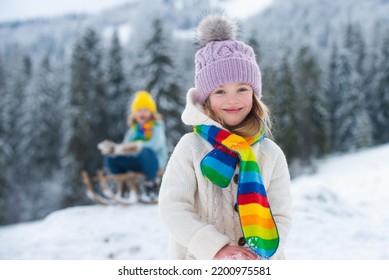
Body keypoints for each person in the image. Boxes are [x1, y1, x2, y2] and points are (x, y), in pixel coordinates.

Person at [159, 14, 292, 260]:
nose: (232, 99)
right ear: (206, 98)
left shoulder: (271, 154)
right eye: (220, 91)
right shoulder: (191, 148)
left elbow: (281, 215)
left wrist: (259, 257)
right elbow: (173, 208)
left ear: (254, 94)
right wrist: (214, 248)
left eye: (242, 89)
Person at [98, 90, 168, 202]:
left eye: (146, 110)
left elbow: (156, 144)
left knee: (146, 151)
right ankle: (123, 185)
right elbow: (126, 146)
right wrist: (117, 150)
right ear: (134, 113)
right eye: (139, 110)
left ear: (151, 112)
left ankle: (151, 186)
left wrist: (137, 146)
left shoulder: (156, 126)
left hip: (153, 161)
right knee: (111, 158)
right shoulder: (133, 130)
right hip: (136, 162)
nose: (142, 113)